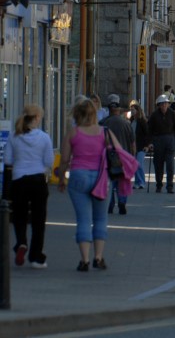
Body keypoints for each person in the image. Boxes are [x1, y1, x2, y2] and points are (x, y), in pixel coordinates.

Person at [58, 97, 124, 271]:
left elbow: (64, 159)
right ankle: (98, 257)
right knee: (101, 218)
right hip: (101, 178)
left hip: (78, 176)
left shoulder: (73, 132)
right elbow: (120, 152)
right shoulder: (105, 132)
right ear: (95, 114)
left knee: (83, 219)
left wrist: (61, 180)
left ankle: (85, 260)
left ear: (77, 114)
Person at [4, 105, 54, 269]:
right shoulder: (44, 138)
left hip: (19, 180)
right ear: (37, 118)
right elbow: (49, 162)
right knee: (39, 219)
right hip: (38, 180)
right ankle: (36, 256)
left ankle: (21, 243)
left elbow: (8, 160)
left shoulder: (14, 136)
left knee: (20, 216)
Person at [102, 94, 135, 215]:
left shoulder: (103, 123)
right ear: (119, 108)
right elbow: (132, 143)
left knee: (110, 182)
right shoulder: (126, 124)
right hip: (123, 157)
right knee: (122, 181)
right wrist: (132, 157)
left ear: (109, 108)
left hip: (108, 158)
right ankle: (122, 203)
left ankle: (110, 205)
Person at [148, 94, 175, 193]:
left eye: (166, 104)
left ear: (168, 104)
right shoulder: (154, 115)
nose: (164, 106)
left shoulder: (172, 113)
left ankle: (170, 186)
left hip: (170, 140)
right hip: (158, 140)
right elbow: (149, 130)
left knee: (170, 164)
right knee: (158, 165)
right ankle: (159, 184)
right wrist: (150, 143)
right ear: (158, 105)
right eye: (162, 104)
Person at [128, 100, 150, 189]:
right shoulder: (131, 120)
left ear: (137, 110)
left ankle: (142, 182)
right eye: (131, 110)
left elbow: (147, 134)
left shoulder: (142, 121)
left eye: (133, 109)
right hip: (133, 146)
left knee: (139, 163)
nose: (132, 111)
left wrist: (147, 145)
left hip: (141, 146)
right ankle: (137, 182)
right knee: (134, 164)